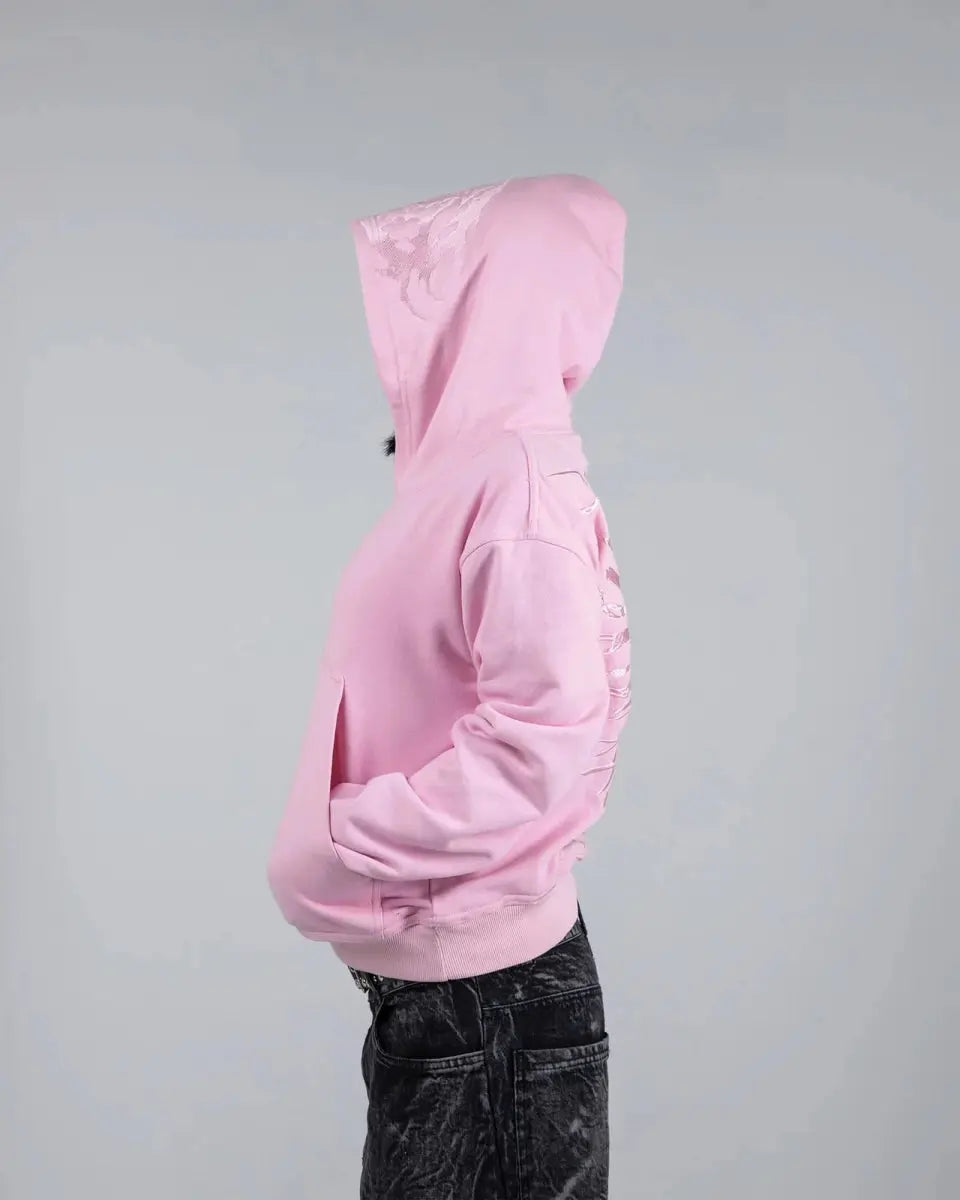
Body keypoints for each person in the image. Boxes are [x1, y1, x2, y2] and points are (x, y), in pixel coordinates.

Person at [267, 173, 630, 1199]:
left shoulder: (516, 489)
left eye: (456, 282)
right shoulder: (466, 479)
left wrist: (347, 839)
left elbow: (547, 741)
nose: (423, 310)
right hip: (453, 1002)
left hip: (489, 1002)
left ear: (505, 302)